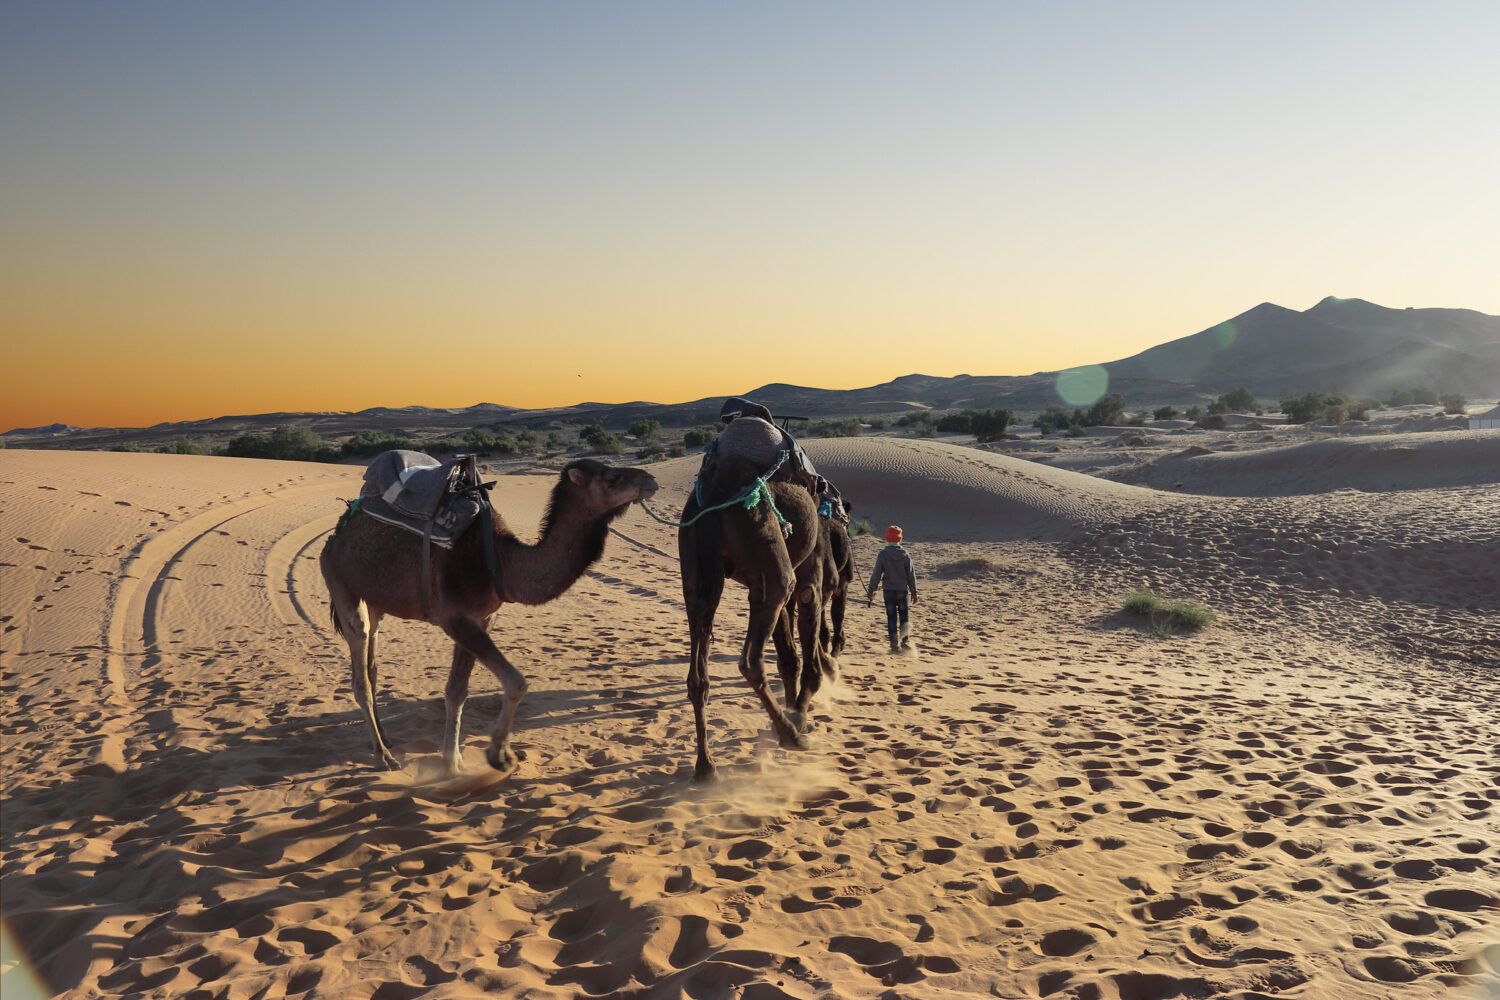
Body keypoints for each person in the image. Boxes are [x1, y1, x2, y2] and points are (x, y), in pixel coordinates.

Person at [867, 525, 918, 652]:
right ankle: (905, 641)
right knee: (904, 617)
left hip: (888, 592)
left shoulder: (883, 554)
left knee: (891, 618)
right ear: (900, 539)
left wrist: (871, 589)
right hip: (902, 591)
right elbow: (911, 575)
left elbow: (877, 573)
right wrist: (914, 592)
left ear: (887, 538)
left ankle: (894, 645)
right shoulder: (905, 554)